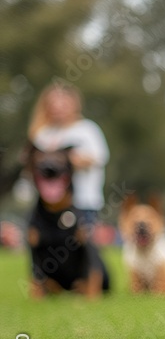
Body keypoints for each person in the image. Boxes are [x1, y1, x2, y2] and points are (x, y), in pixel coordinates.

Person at [28, 82, 110, 231]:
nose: (58, 108)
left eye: (63, 103)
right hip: (50, 204)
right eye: (54, 104)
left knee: (80, 248)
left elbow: (98, 158)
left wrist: (65, 158)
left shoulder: (87, 130)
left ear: (74, 104)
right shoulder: (43, 133)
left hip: (83, 201)